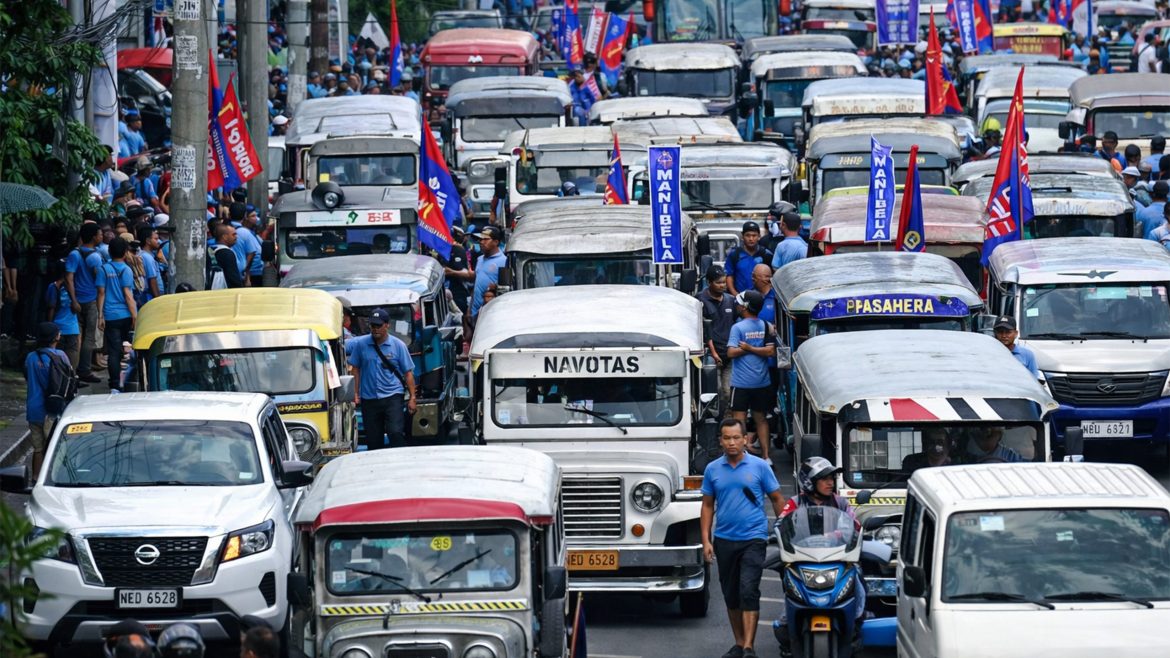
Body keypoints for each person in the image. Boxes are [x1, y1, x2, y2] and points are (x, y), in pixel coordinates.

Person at [700, 418, 784, 658]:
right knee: (731, 594)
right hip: (724, 539)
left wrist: (786, 531)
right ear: (720, 441)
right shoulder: (712, 469)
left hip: (753, 538)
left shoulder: (759, 467)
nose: (732, 442)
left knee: (748, 590)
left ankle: (749, 646)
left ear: (746, 439)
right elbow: (707, 506)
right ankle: (739, 643)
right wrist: (706, 540)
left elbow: (778, 499)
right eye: (727, 438)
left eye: (737, 437)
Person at [776, 457, 864, 656]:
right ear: (809, 482)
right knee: (789, 579)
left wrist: (839, 534)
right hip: (803, 559)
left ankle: (857, 617)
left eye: (831, 478)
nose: (830, 482)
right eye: (824, 478)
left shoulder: (841, 503)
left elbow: (855, 525)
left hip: (838, 558)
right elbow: (780, 524)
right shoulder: (795, 502)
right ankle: (787, 618)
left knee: (858, 573)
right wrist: (779, 536)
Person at [347, 307, 416, 450]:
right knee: (373, 440)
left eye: (378, 326)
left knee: (395, 433)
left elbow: (408, 373)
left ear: (387, 325)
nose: (375, 329)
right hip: (369, 398)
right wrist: (355, 393)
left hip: (392, 397)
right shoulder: (361, 345)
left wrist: (412, 398)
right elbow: (356, 369)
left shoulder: (398, 346)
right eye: (372, 326)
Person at [728, 290, 776, 464]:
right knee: (761, 419)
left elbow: (731, 352)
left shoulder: (737, 327)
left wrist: (747, 348)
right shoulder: (766, 325)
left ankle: (742, 457)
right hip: (762, 382)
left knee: (738, 421)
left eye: (740, 303)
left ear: (745, 306)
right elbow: (770, 351)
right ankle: (766, 456)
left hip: (741, 383)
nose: (738, 305)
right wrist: (755, 349)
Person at [25, 322, 67, 478]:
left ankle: (35, 479)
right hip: (53, 409)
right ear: (55, 337)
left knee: (38, 448)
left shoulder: (30, 357)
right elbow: (68, 379)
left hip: (33, 409)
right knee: (55, 448)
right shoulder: (60, 355)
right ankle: (53, 479)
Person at [95, 237, 138, 392]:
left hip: (110, 316)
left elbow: (101, 293)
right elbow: (128, 294)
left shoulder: (103, 269)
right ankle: (127, 380)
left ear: (109, 251)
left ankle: (114, 385)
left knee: (113, 351)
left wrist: (100, 316)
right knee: (128, 349)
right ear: (125, 252)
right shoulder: (126, 269)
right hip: (125, 315)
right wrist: (135, 315)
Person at [66, 223, 105, 383]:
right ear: (94, 236)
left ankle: (73, 371)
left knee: (76, 338)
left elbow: (69, 278)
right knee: (89, 338)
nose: (101, 236)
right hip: (91, 301)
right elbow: (100, 281)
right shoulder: (95, 257)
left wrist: (73, 299)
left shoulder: (74, 254)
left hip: (76, 301)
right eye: (100, 234)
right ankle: (84, 370)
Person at [696, 265, 736, 415]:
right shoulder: (700, 300)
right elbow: (703, 329)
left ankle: (726, 420)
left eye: (724, 282)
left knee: (727, 391)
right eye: (718, 282)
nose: (722, 286)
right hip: (710, 355)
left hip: (729, 353)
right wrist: (713, 353)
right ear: (709, 282)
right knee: (715, 390)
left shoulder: (730, 300)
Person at [45, 261, 81, 370]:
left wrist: (50, 325)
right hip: (72, 328)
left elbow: (51, 307)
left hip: (57, 327)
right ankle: (72, 376)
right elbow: (78, 308)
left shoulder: (53, 286)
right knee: (72, 355)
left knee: (57, 356)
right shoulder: (74, 287)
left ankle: (59, 377)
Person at [724, 221, 774, 296]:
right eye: (748, 235)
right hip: (740, 297)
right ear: (742, 236)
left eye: (754, 235)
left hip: (762, 298)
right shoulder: (734, 254)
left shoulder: (766, 254)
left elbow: (773, 277)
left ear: (759, 236)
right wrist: (736, 295)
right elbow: (729, 276)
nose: (751, 239)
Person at [471, 225, 506, 317]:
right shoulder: (479, 259)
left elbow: (507, 289)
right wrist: (469, 310)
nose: (481, 242)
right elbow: (476, 285)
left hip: (491, 314)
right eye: (480, 239)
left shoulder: (504, 261)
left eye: (485, 239)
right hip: (475, 313)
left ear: (496, 242)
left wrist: (496, 287)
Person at [211, 224, 246, 289]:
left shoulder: (210, 249)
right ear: (225, 237)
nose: (236, 237)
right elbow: (233, 278)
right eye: (233, 234)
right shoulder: (227, 253)